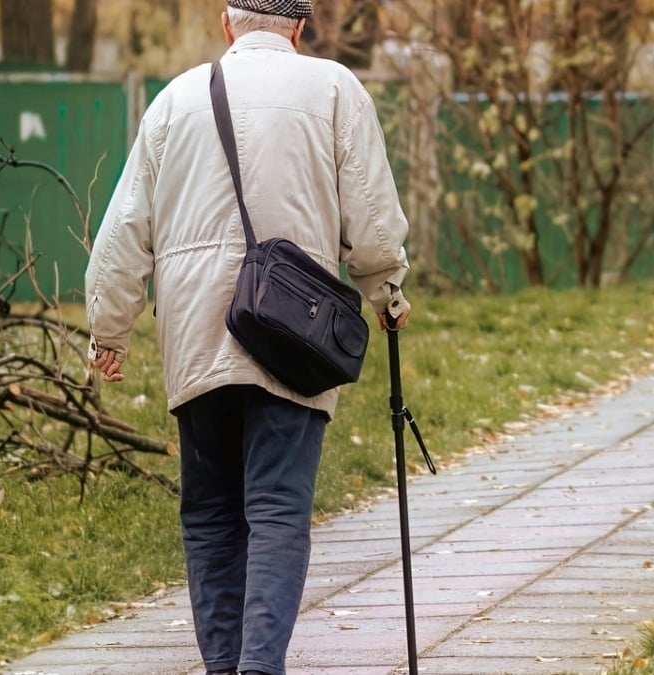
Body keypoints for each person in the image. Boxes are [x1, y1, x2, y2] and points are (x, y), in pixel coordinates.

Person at [84, 1, 412, 673]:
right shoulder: (334, 88)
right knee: (277, 511)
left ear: (227, 25)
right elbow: (372, 214)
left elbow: (125, 228)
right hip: (293, 334)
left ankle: (224, 667)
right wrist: (387, 290)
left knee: (208, 516)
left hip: (197, 338)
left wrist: (108, 329)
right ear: (300, 27)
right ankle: (259, 666)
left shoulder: (175, 101)